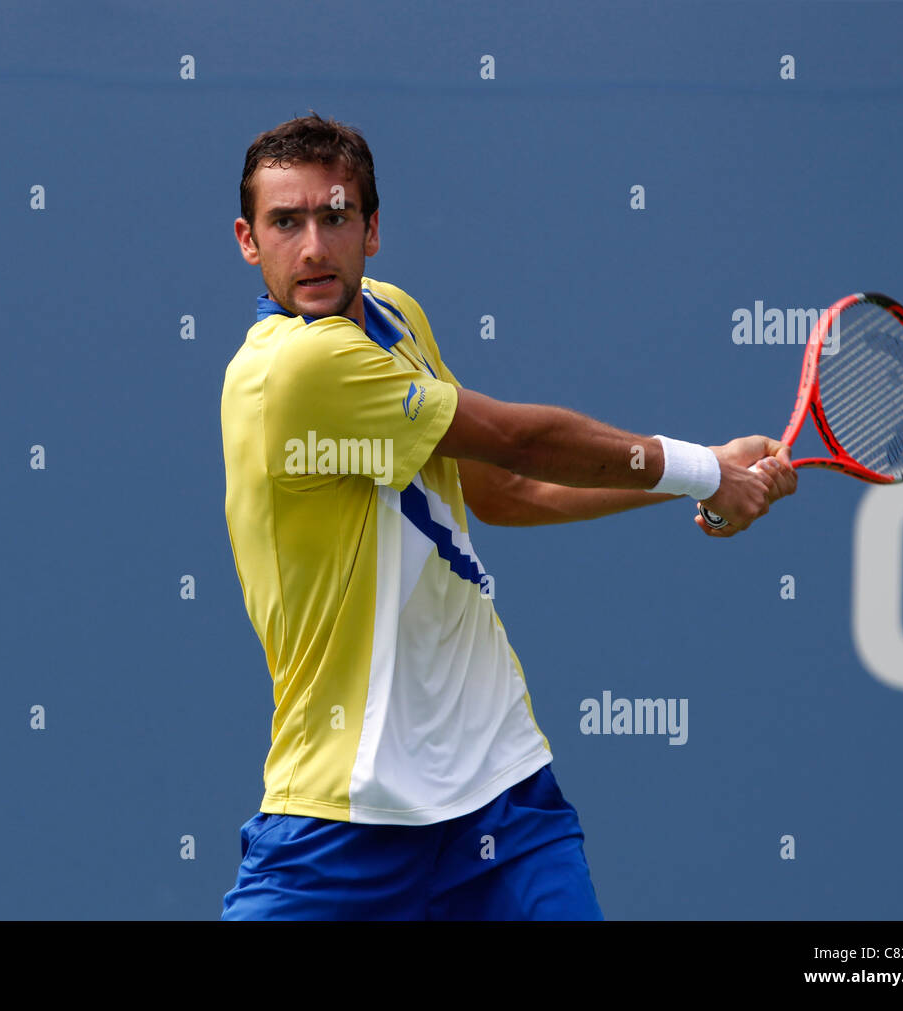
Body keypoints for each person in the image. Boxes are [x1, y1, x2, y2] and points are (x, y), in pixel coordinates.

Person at [219, 112, 796, 920]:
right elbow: (516, 440)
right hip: (338, 821)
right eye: (286, 222)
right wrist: (703, 468)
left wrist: (699, 482)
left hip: (502, 800)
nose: (313, 246)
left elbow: (500, 490)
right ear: (249, 240)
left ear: (372, 228)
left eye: (335, 215)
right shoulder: (292, 370)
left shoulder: (394, 317)